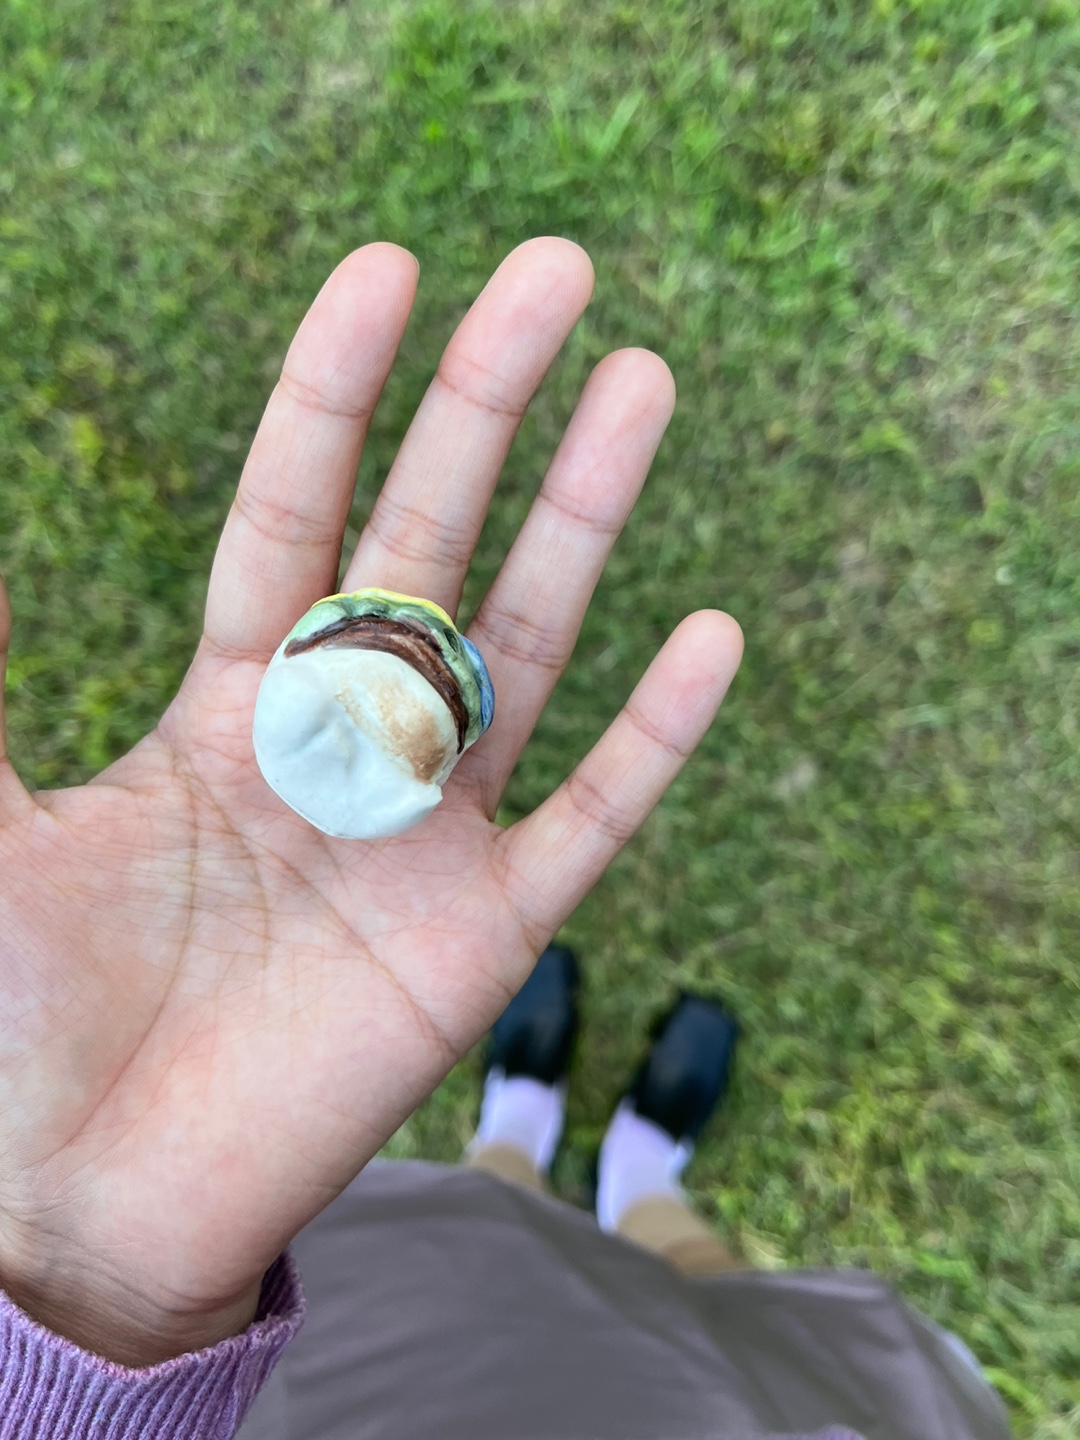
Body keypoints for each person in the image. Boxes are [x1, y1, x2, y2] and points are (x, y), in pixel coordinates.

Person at [0, 240, 1008, 1439]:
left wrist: (85, 1308)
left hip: (349, 1365)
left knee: (472, 1236)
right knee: (724, 1324)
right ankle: (636, 1179)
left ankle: (527, 1139)